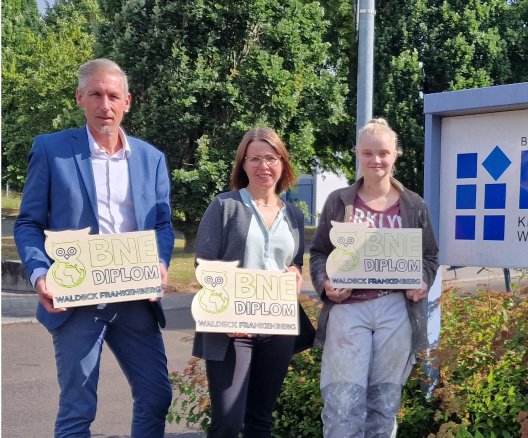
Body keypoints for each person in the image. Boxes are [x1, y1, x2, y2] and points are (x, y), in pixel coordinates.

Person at [13, 58, 174, 437]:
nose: (106, 105)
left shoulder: (151, 158)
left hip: (135, 299)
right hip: (76, 300)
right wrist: (40, 274)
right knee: (78, 409)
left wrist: (161, 261)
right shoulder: (51, 150)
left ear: (128, 101)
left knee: (156, 396)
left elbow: (163, 224)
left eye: (113, 96)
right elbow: (28, 223)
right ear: (80, 98)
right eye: (96, 95)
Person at [310, 118, 439, 437]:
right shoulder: (338, 202)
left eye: (383, 153)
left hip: (394, 310)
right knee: (342, 404)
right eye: (368, 153)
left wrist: (421, 281)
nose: (376, 160)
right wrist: (326, 283)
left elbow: (429, 256)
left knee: (384, 404)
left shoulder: (414, 205)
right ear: (358, 154)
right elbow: (319, 254)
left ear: (396, 154)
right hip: (348, 310)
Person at [192, 127, 306, 437]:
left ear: (282, 163)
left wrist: (296, 272)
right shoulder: (225, 206)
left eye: (270, 158)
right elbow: (204, 266)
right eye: (254, 158)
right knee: (227, 422)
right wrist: (225, 315)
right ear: (242, 164)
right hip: (232, 329)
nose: (263, 166)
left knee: (260, 419)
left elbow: (294, 262)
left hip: (277, 329)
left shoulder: (294, 215)